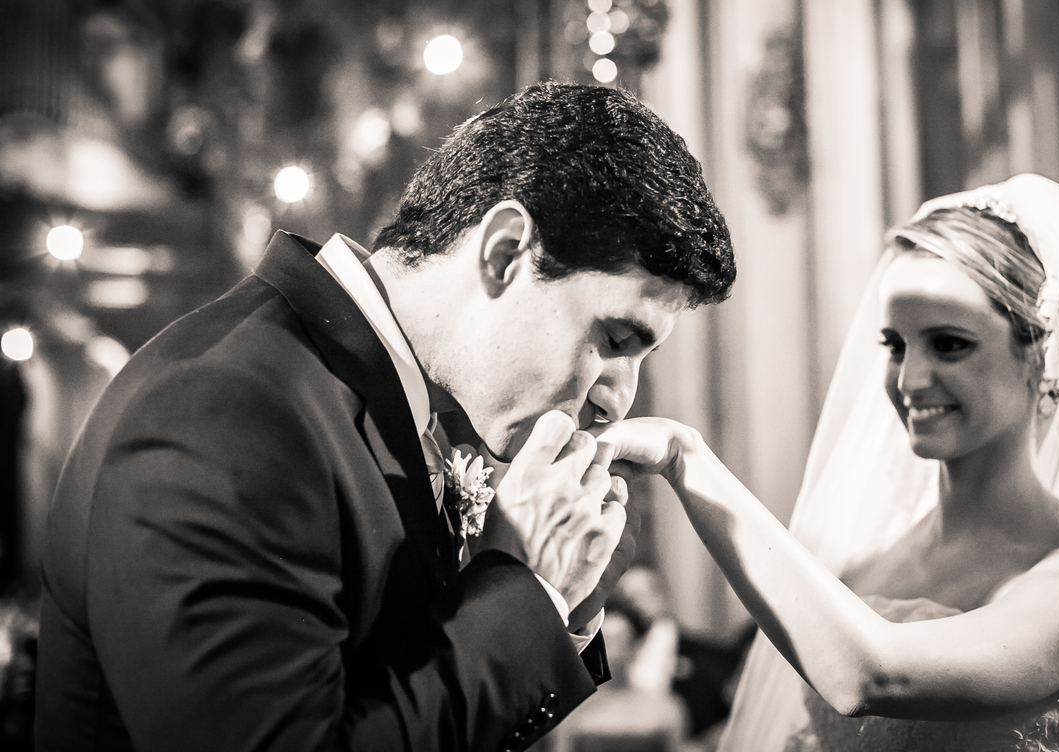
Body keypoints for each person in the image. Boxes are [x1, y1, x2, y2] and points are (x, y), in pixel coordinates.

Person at [34, 81, 737, 752]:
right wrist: (527, 597)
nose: (620, 398)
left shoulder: (381, 404)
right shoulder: (226, 412)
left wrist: (561, 609)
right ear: (505, 252)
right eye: (616, 340)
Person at [599, 173, 1059, 750]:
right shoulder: (861, 571)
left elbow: (870, 676)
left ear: (1044, 355)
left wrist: (686, 457)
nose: (910, 380)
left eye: (949, 344)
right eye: (895, 345)